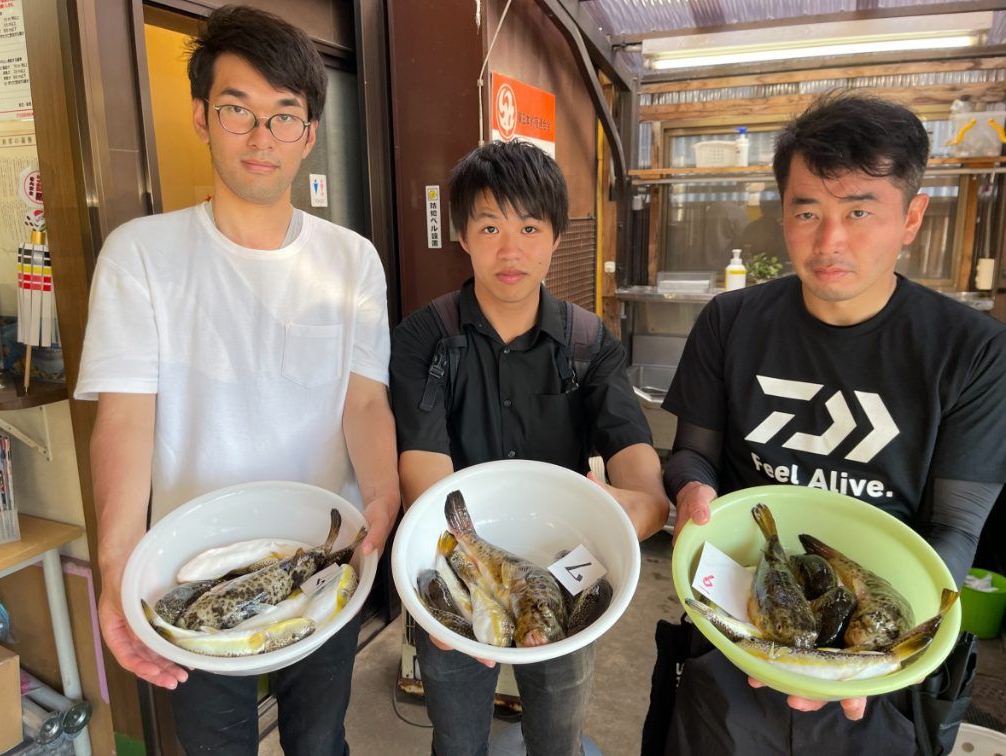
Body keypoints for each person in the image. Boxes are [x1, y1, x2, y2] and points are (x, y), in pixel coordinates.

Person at [74, 7, 399, 754]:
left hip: (324, 557)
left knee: (319, 740)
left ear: (309, 134)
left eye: (284, 116)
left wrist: (383, 497)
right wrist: (117, 567)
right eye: (237, 110)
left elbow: (364, 402)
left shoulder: (351, 260)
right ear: (201, 117)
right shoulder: (140, 255)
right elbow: (123, 419)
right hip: (188, 568)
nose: (261, 138)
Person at [660, 91, 1006, 755]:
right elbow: (693, 454)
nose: (829, 241)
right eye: (807, 211)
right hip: (734, 627)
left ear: (911, 218)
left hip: (874, 677)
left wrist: (877, 646)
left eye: (858, 211)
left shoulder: (973, 351)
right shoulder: (729, 322)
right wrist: (690, 490)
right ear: (782, 214)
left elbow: (956, 528)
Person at [390, 140, 670, 756]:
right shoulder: (422, 339)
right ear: (463, 235)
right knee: (456, 736)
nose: (510, 250)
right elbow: (423, 464)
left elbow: (629, 443)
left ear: (556, 237)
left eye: (529, 227)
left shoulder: (589, 342)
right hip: (458, 558)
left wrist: (645, 501)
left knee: (558, 729)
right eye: (490, 227)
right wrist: (438, 580)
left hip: (563, 562)